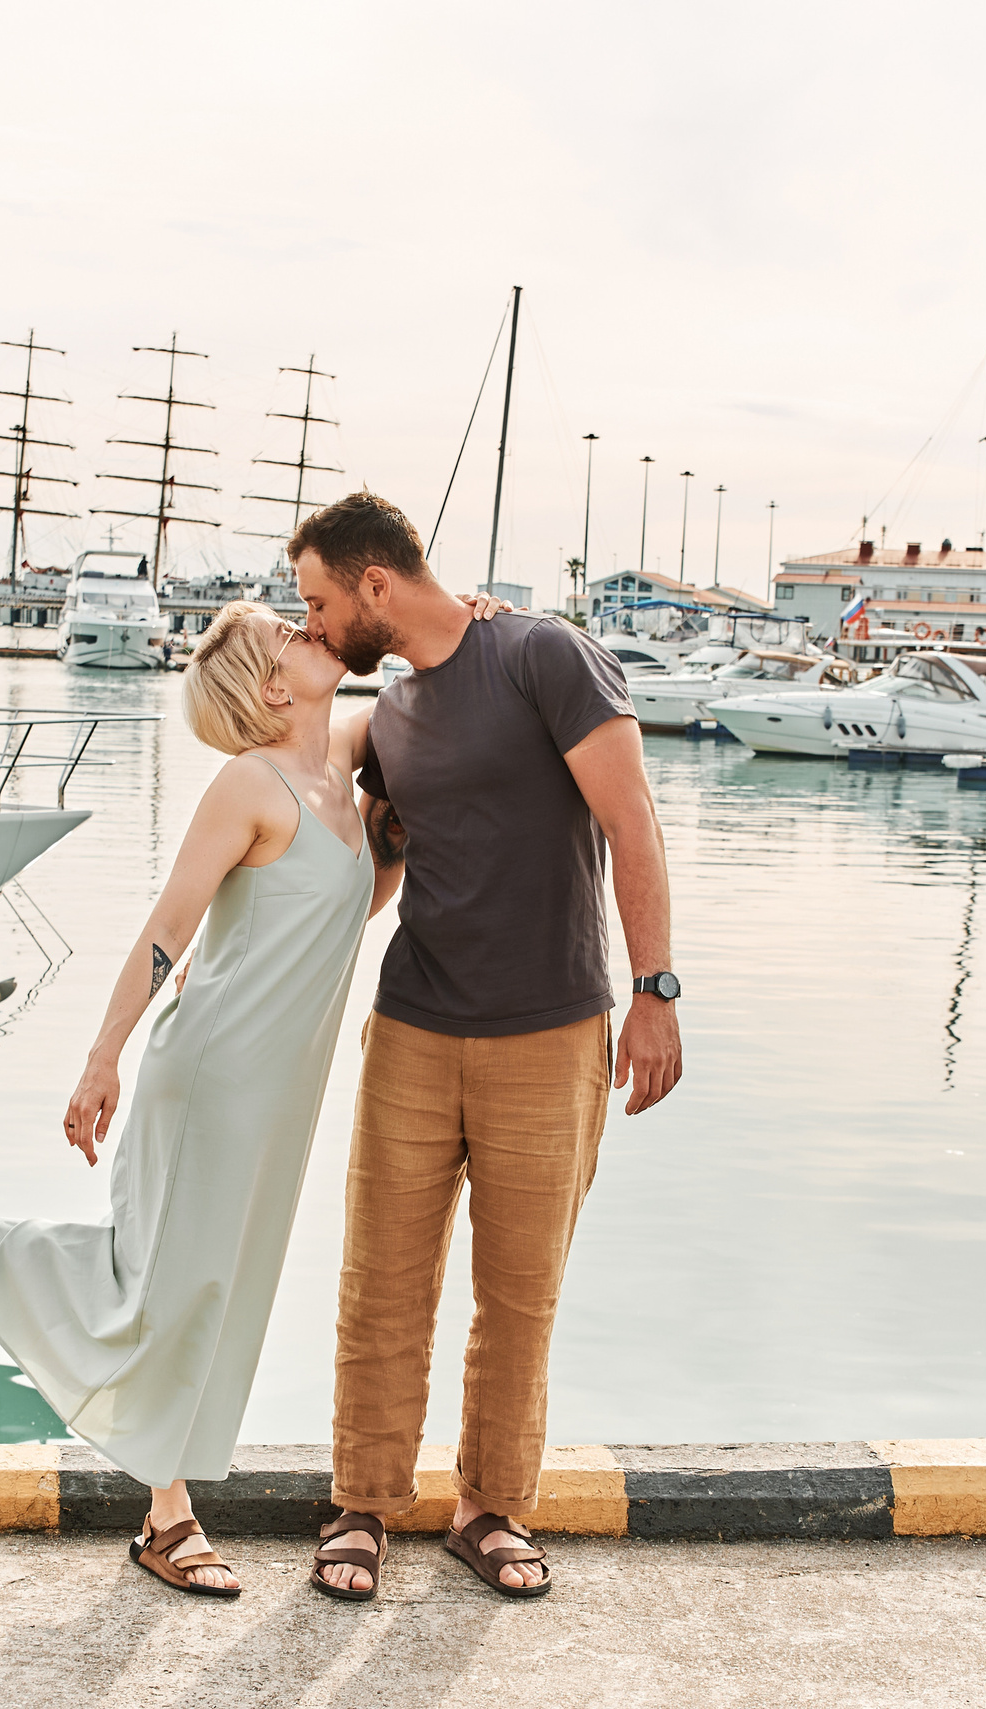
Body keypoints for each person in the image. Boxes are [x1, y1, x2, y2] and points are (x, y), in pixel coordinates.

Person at [0, 594, 500, 1596]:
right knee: (165, 1285)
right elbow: (167, 929)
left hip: (280, 1088)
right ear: (267, 683)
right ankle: (165, 1516)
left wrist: (465, 620)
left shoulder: (341, 759)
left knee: (200, 1285)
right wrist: (102, 1055)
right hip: (209, 1077)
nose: (310, 633)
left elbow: (395, 764)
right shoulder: (248, 786)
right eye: (288, 635)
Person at [290, 491, 682, 1602]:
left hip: (549, 1029)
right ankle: (361, 1501)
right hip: (411, 1025)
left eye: (318, 598)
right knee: (381, 1282)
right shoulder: (393, 714)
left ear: (374, 583)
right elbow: (368, 871)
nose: (313, 621)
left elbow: (631, 819)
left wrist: (654, 988)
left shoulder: (544, 657)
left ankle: (489, 1506)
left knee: (518, 1292)